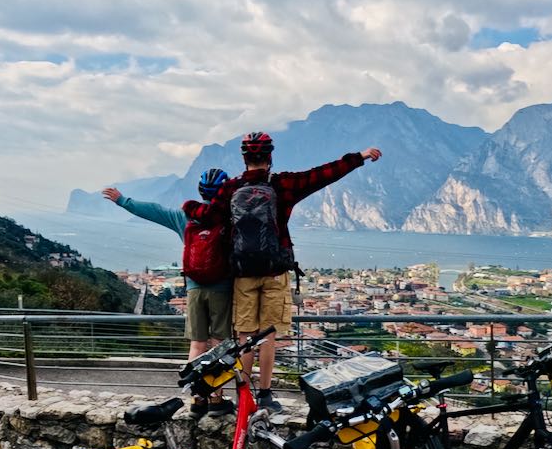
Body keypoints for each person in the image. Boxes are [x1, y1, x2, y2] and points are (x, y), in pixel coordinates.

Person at [184, 133, 381, 412]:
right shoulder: (283, 185)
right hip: (275, 272)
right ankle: (264, 394)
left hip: (242, 274)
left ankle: (244, 396)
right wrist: (359, 157)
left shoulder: (231, 189)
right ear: (270, 157)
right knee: (268, 336)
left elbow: (209, 216)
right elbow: (323, 174)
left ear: (244, 159)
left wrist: (188, 206)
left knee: (244, 337)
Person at [103, 168, 235, 416]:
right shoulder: (229, 217)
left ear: (200, 191)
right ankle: (217, 399)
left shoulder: (185, 217)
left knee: (197, 344)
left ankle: (197, 399)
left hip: (195, 289)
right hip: (222, 289)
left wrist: (122, 200)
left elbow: (154, 211)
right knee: (219, 344)